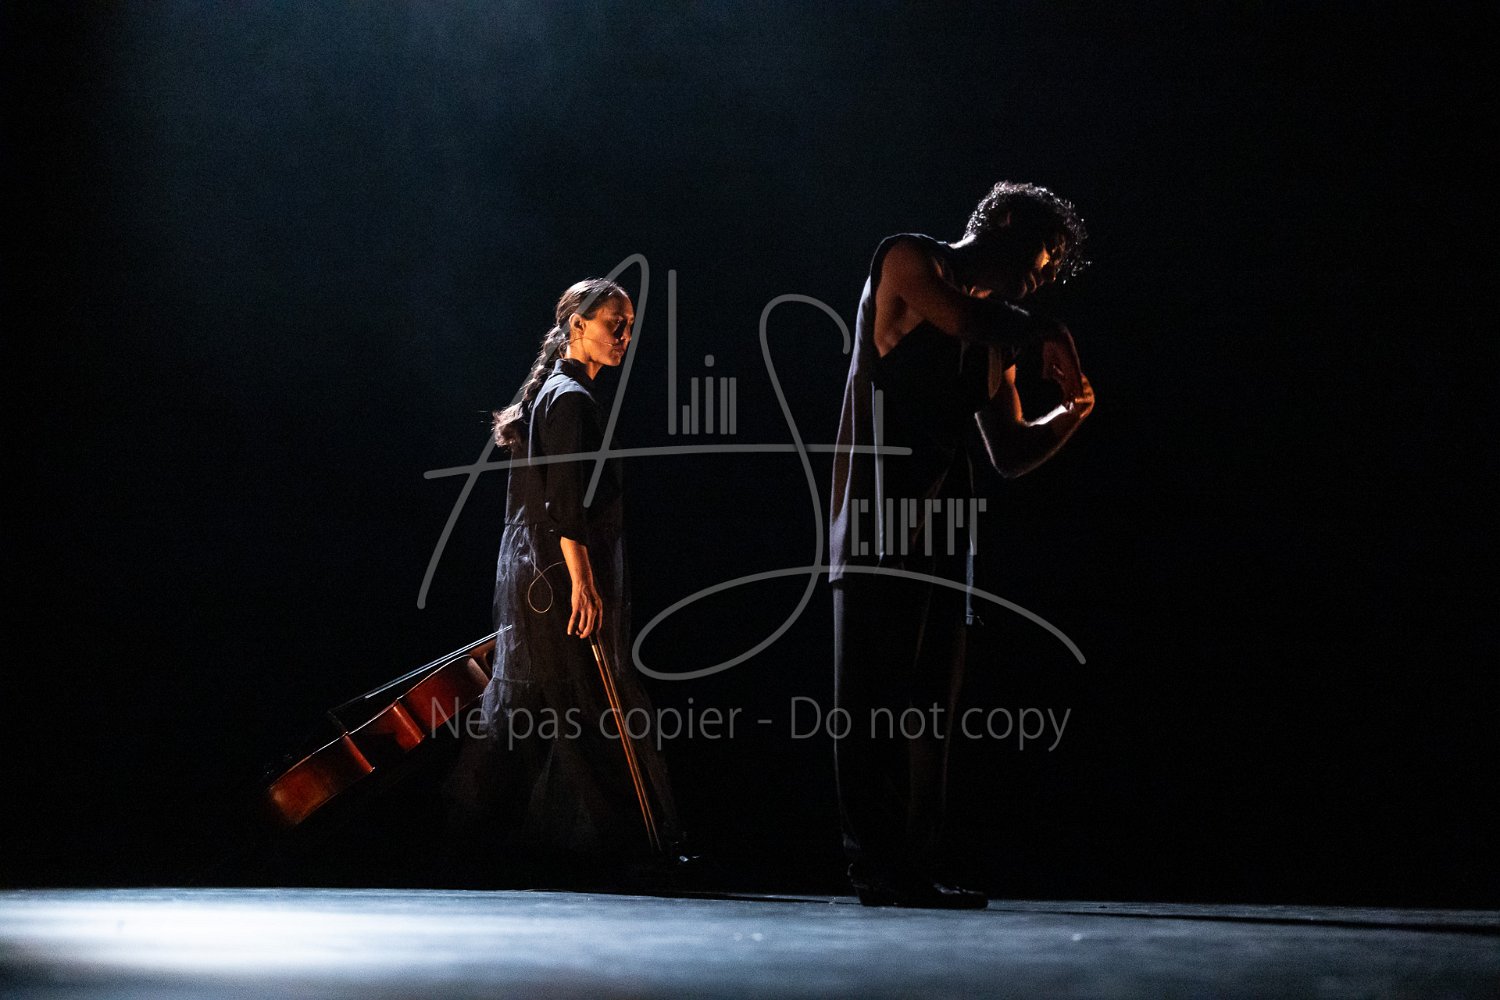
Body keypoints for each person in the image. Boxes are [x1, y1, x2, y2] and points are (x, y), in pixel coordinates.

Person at [828, 181, 1095, 907]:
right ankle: (876, 865)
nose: (1042, 275)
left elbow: (1008, 449)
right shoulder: (911, 260)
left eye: (1051, 271)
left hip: (945, 524)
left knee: (929, 706)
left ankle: (915, 866)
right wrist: (1048, 331)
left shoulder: (999, 333)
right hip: (878, 511)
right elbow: (964, 318)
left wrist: (1072, 413)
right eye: (1042, 254)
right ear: (1003, 221)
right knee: (872, 699)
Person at [446, 278, 684, 885]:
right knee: (591, 710)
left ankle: (471, 839)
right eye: (612, 323)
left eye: (629, 326)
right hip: (557, 580)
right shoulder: (570, 398)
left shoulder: (557, 392)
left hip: (540, 577)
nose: (623, 336)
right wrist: (583, 583)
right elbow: (562, 507)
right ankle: (634, 848)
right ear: (577, 325)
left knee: (533, 711)